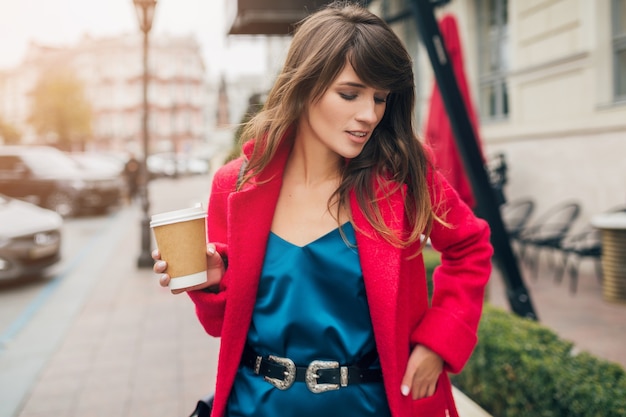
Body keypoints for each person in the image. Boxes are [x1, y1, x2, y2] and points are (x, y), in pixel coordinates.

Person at [153, 2, 493, 417]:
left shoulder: (402, 175)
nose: (369, 115)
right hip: (256, 403)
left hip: (369, 405)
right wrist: (212, 283)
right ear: (305, 85)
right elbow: (221, 327)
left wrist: (437, 343)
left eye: (381, 98)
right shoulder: (236, 184)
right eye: (349, 94)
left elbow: (471, 246)